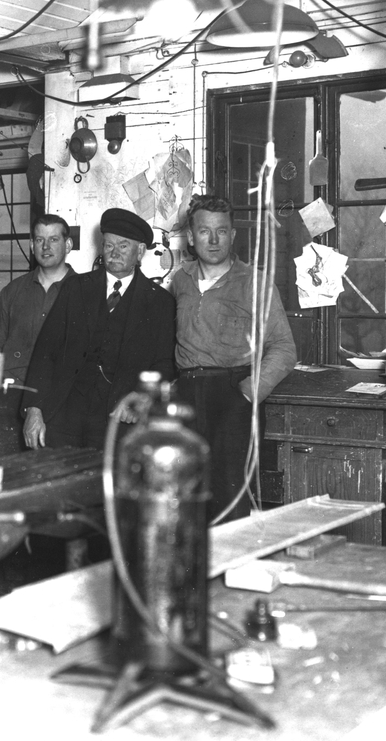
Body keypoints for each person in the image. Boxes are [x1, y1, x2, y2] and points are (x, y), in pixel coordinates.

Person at [169, 194, 297, 523]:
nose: (213, 240)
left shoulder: (255, 282)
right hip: (186, 398)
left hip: (233, 398)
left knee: (231, 501)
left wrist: (249, 392)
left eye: (221, 231)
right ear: (191, 237)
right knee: (184, 497)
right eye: (204, 231)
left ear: (233, 235)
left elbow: (284, 347)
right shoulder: (180, 280)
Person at [23, 208, 176, 450]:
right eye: (109, 245)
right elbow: (45, 351)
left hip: (120, 421)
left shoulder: (160, 302)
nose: (114, 253)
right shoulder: (75, 288)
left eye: (123, 246)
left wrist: (142, 397)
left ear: (140, 251)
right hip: (64, 416)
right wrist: (33, 409)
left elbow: (164, 364)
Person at [0, 214, 75, 455]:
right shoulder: (13, 291)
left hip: (60, 401)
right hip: (11, 399)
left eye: (53, 239)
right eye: (39, 240)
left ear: (68, 245)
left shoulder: (83, 291)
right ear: (31, 245)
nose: (46, 247)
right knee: (8, 471)